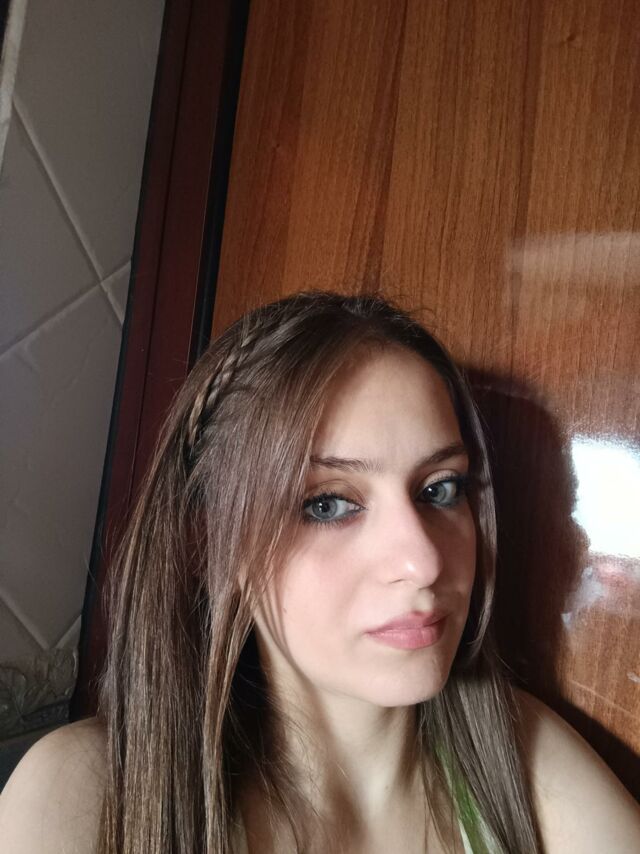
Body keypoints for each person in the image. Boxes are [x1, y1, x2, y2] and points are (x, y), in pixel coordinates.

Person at [1, 291, 639, 854]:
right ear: (210, 543)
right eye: (327, 505)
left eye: (440, 489)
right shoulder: (85, 799)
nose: (423, 562)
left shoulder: (522, 758)